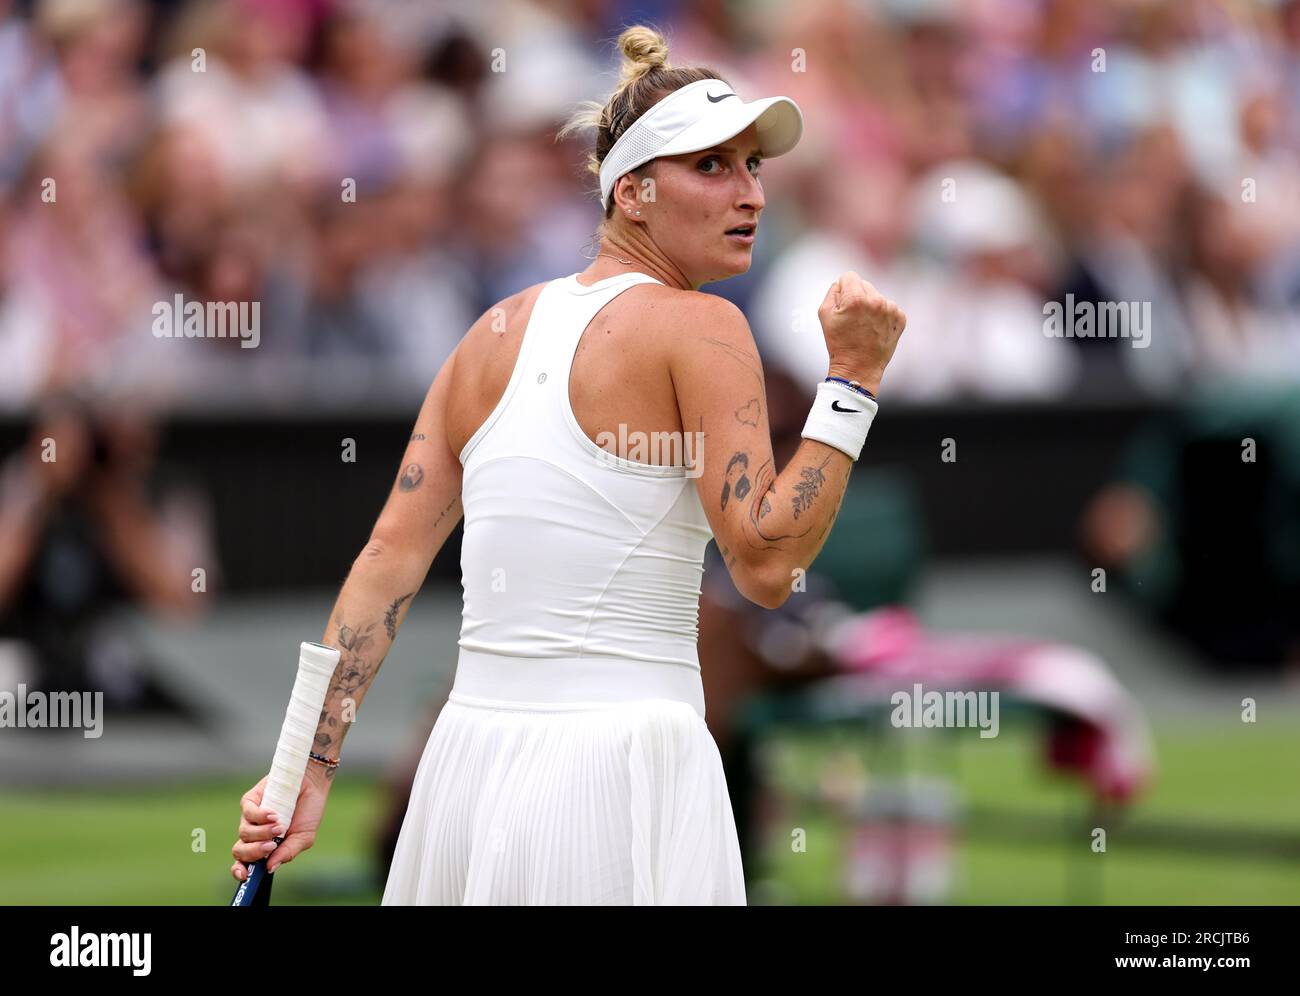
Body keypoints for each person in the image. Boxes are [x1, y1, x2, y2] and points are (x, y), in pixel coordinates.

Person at [229, 24, 906, 905]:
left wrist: (302, 772)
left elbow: (387, 562)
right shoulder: (705, 327)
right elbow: (769, 563)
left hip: (463, 770)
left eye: (753, 167)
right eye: (712, 167)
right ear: (632, 192)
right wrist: (852, 382)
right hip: (623, 769)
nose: (750, 194)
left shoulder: (490, 335)